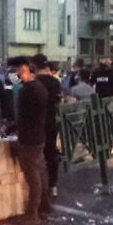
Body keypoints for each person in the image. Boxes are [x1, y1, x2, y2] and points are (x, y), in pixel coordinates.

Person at [9, 56, 52, 223]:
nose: (12, 75)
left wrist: (12, 129)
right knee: (40, 171)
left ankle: (32, 214)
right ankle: (45, 206)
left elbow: (25, 117)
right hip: (37, 135)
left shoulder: (29, 90)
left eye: (14, 71)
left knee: (33, 176)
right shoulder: (37, 86)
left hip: (29, 138)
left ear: (22, 70)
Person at [31, 54, 62, 198]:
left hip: (36, 123)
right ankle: (53, 186)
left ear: (34, 66)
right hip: (51, 121)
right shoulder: (55, 82)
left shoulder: (34, 82)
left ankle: (39, 188)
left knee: (36, 156)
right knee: (51, 153)